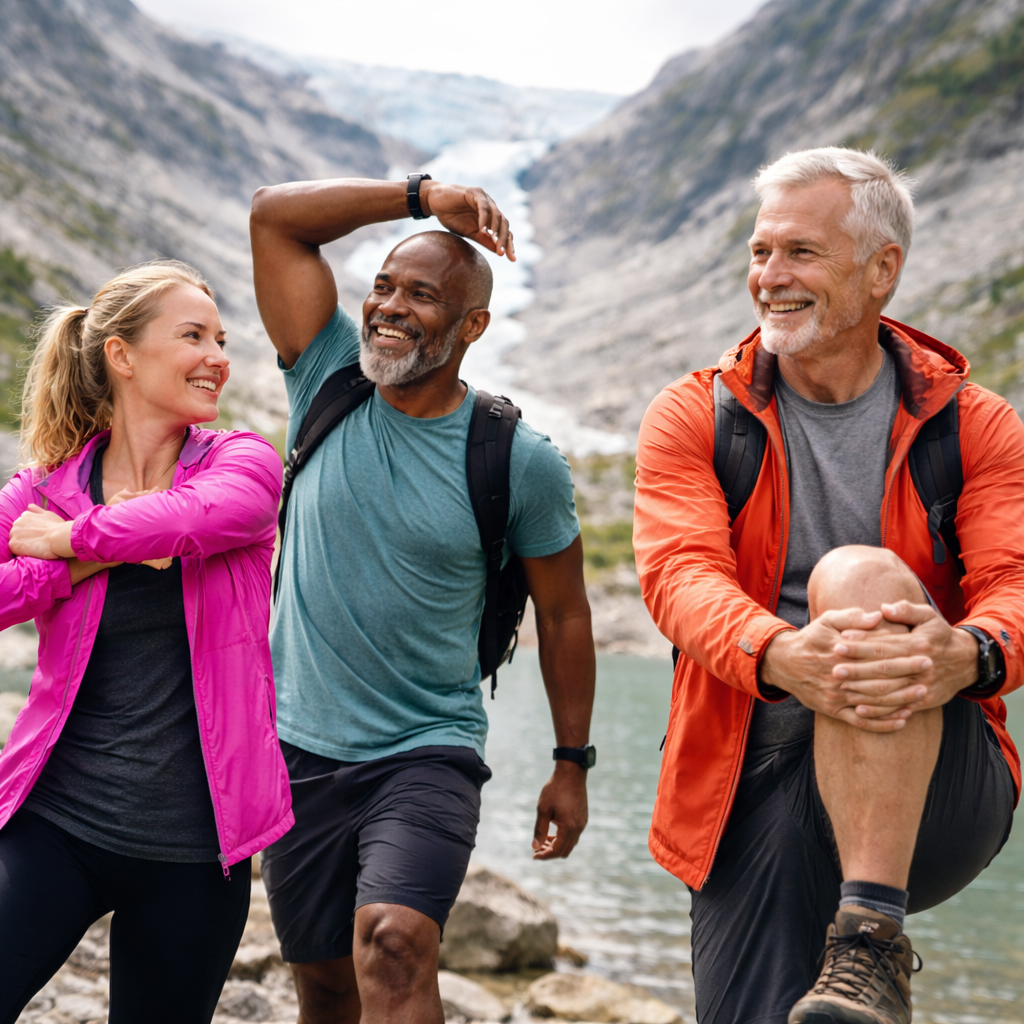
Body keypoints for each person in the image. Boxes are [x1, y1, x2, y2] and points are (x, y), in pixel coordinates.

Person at [632, 148, 1021, 1024]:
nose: (770, 276)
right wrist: (778, 655)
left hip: (935, 766)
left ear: (882, 270)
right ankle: (858, 976)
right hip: (749, 767)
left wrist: (969, 652)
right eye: (760, 251)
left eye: (801, 252)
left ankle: (871, 939)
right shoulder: (695, 414)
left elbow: (1017, 583)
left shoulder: (976, 425)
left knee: (861, 576)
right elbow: (678, 573)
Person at [249, 175, 596, 1024]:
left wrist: (571, 763)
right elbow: (273, 218)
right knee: (325, 985)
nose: (390, 309)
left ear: (473, 325)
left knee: (396, 942)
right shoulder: (326, 375)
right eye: (383, 286)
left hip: (426, 749)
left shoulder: (519, 459)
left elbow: (564, 615)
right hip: (296, 746)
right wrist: (419, 196)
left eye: (423, 296)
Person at [0, 261, 292, 1024]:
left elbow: (196, 518)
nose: (217, 357)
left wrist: (66, 537)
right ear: (121, 356)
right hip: (53, 823)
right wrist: (80, 562)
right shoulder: (43, 487)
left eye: (221, 340)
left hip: (196, 851)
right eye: (193, 336)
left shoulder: (243, 460)